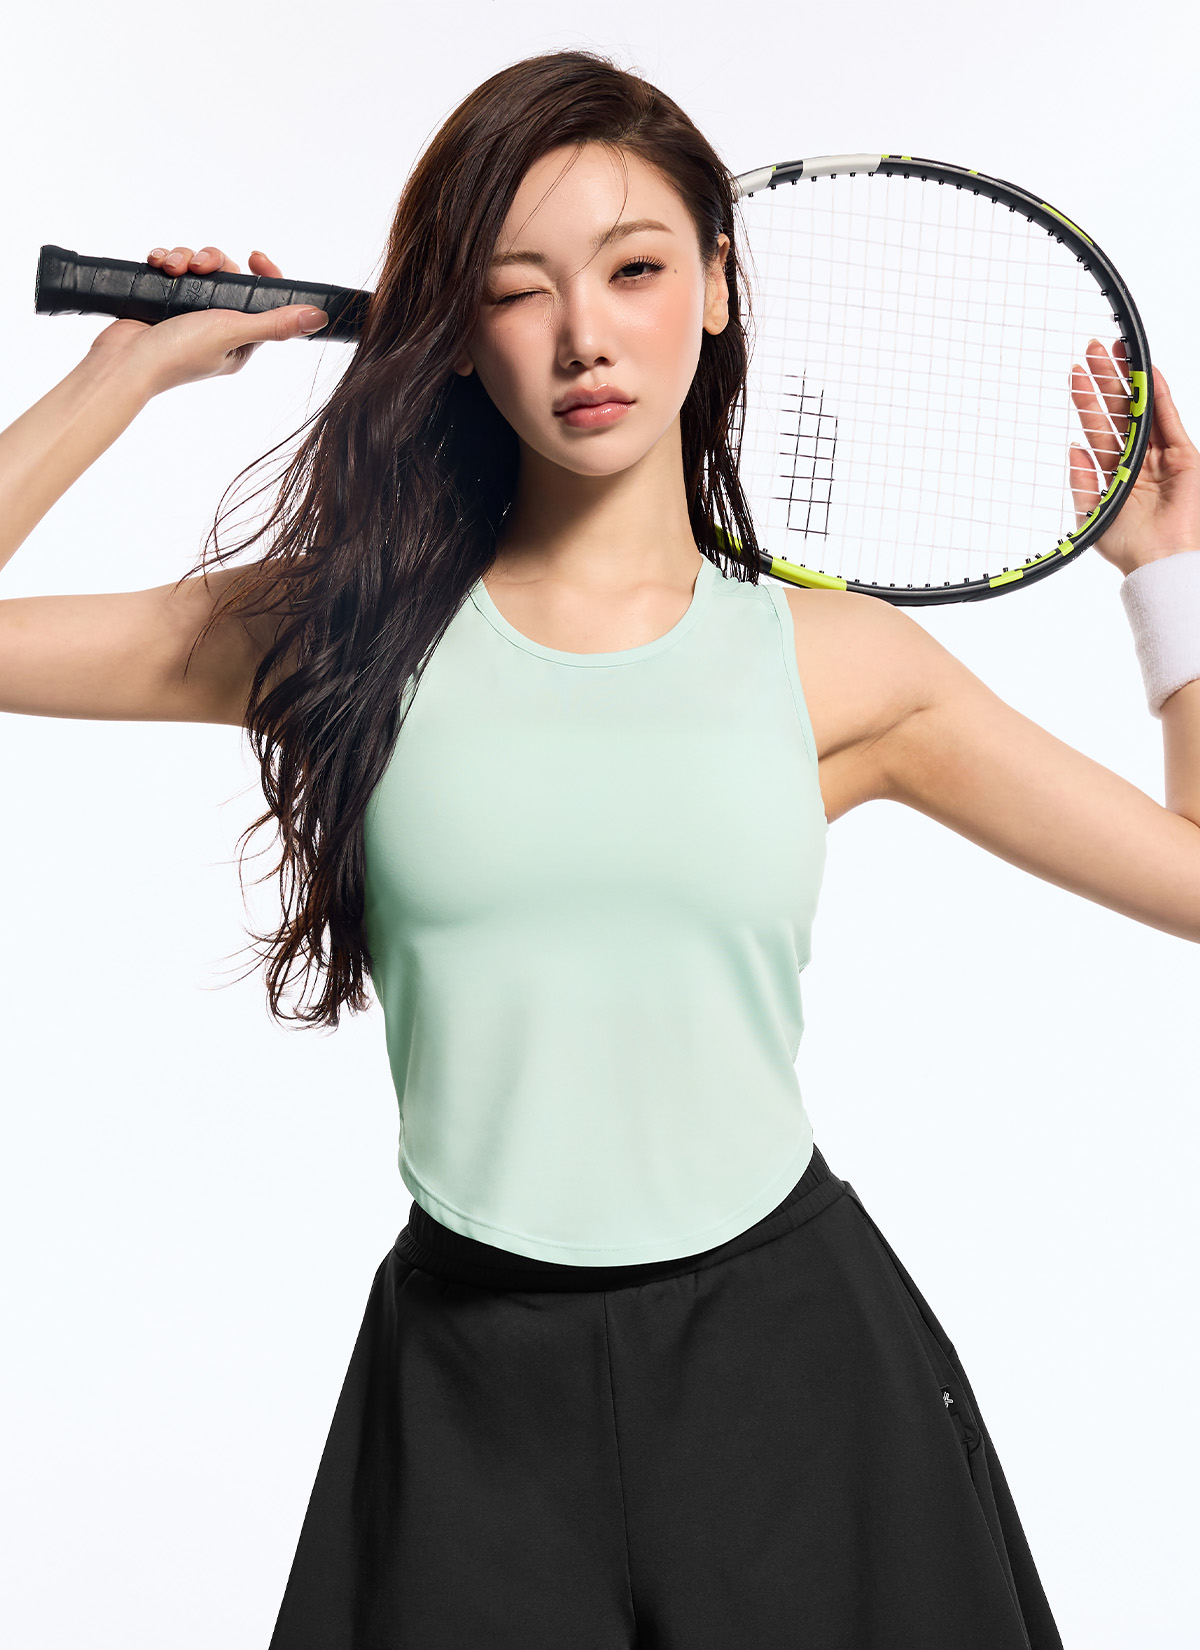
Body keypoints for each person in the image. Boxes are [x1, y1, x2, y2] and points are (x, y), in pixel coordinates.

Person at [2, 48, 1197, 1650]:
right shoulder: (340, 632)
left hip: (800, 1380)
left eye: (635, 270)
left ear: (718, 285)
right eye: (518, 288)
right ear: (460, 330)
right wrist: (122, 374)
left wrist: (1173, 576)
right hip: (467, 1396)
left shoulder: (840, 667)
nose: (585, 335)